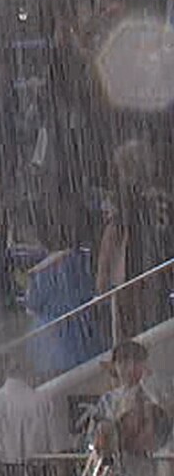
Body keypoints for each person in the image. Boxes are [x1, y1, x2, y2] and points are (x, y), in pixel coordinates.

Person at [98, 140, 174, 346]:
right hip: (165, 263)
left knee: (138, 331)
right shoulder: (165, 189)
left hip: (140, 269)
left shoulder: (128, 194)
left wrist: (103, 276)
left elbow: (114, 232)